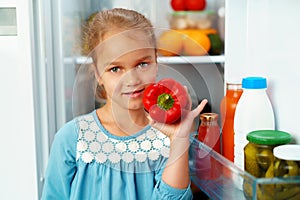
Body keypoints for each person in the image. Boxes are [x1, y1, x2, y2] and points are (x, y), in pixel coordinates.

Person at [41, 8, 207, 200]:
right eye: (115, 68)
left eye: (142, 64)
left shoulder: (166, 137)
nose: (132, 79)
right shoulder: (72, 138)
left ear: (156, 62)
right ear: (97, 74)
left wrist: (179, 141)